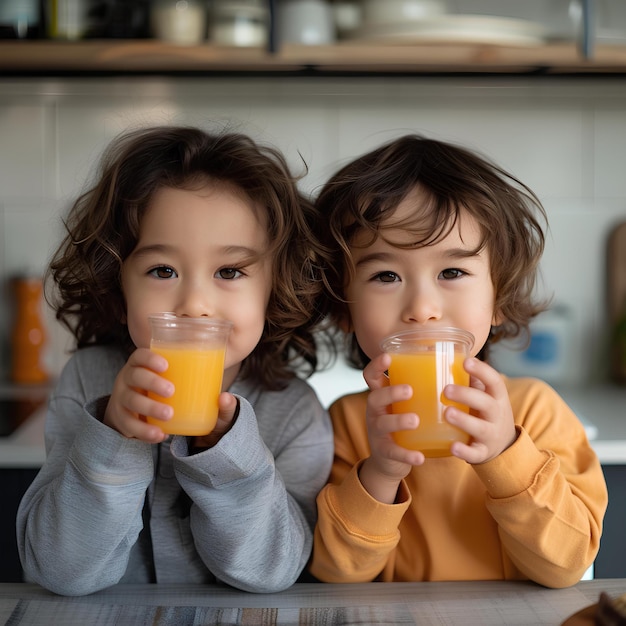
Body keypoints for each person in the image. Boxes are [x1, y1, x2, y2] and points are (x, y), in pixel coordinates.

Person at [17, 125, 334, 596]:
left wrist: (227, 454)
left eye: (229, 271)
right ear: (119, 288)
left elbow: (269, 572)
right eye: (162, 270)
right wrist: (114, 438)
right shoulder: (89, 381)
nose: (195, 304)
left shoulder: (294, 411)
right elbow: (59, 570)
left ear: (273, 289)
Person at [309, 134, 607, 589]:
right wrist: (381, 471)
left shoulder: (534, 410)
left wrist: (506, 453)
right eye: (385, 275)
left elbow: (565, 565)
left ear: (498, 298)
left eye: (452, 272)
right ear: (344, 307)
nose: (423, 307)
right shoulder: (347, 424)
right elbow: (336, 572)